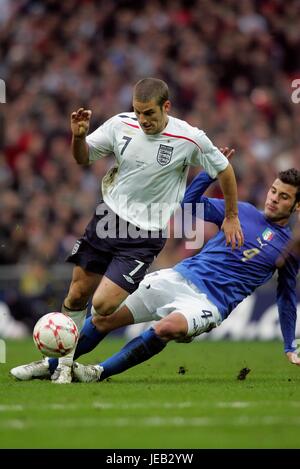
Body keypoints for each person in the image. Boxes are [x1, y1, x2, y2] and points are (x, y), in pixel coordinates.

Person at [10, 78, 243, 384]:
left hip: (145, 235)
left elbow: (224, 169)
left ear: (166, 107)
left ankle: (56, 364)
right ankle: (59, 366)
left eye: (149, 113)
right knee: (77, 292)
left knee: (104, 305)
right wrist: (78, 138)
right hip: (108, 219)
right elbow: (83, 158)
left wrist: (231, 216)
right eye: (138, 112)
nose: (143, 120)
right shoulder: (121, 125)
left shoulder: (190, 138)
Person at [60, 166, 300, 382]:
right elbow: (187, 205)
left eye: (284, 196)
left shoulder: (288, 248)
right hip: (178, 277)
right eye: (273, 191)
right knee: (103, 318)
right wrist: (209, 173)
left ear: (297, 206)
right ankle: (53, 365)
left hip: (210, 302)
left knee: (165, 329)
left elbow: (286, 296)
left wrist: (289, 345)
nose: (274, 199)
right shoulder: (241, 212)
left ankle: (98, 372)